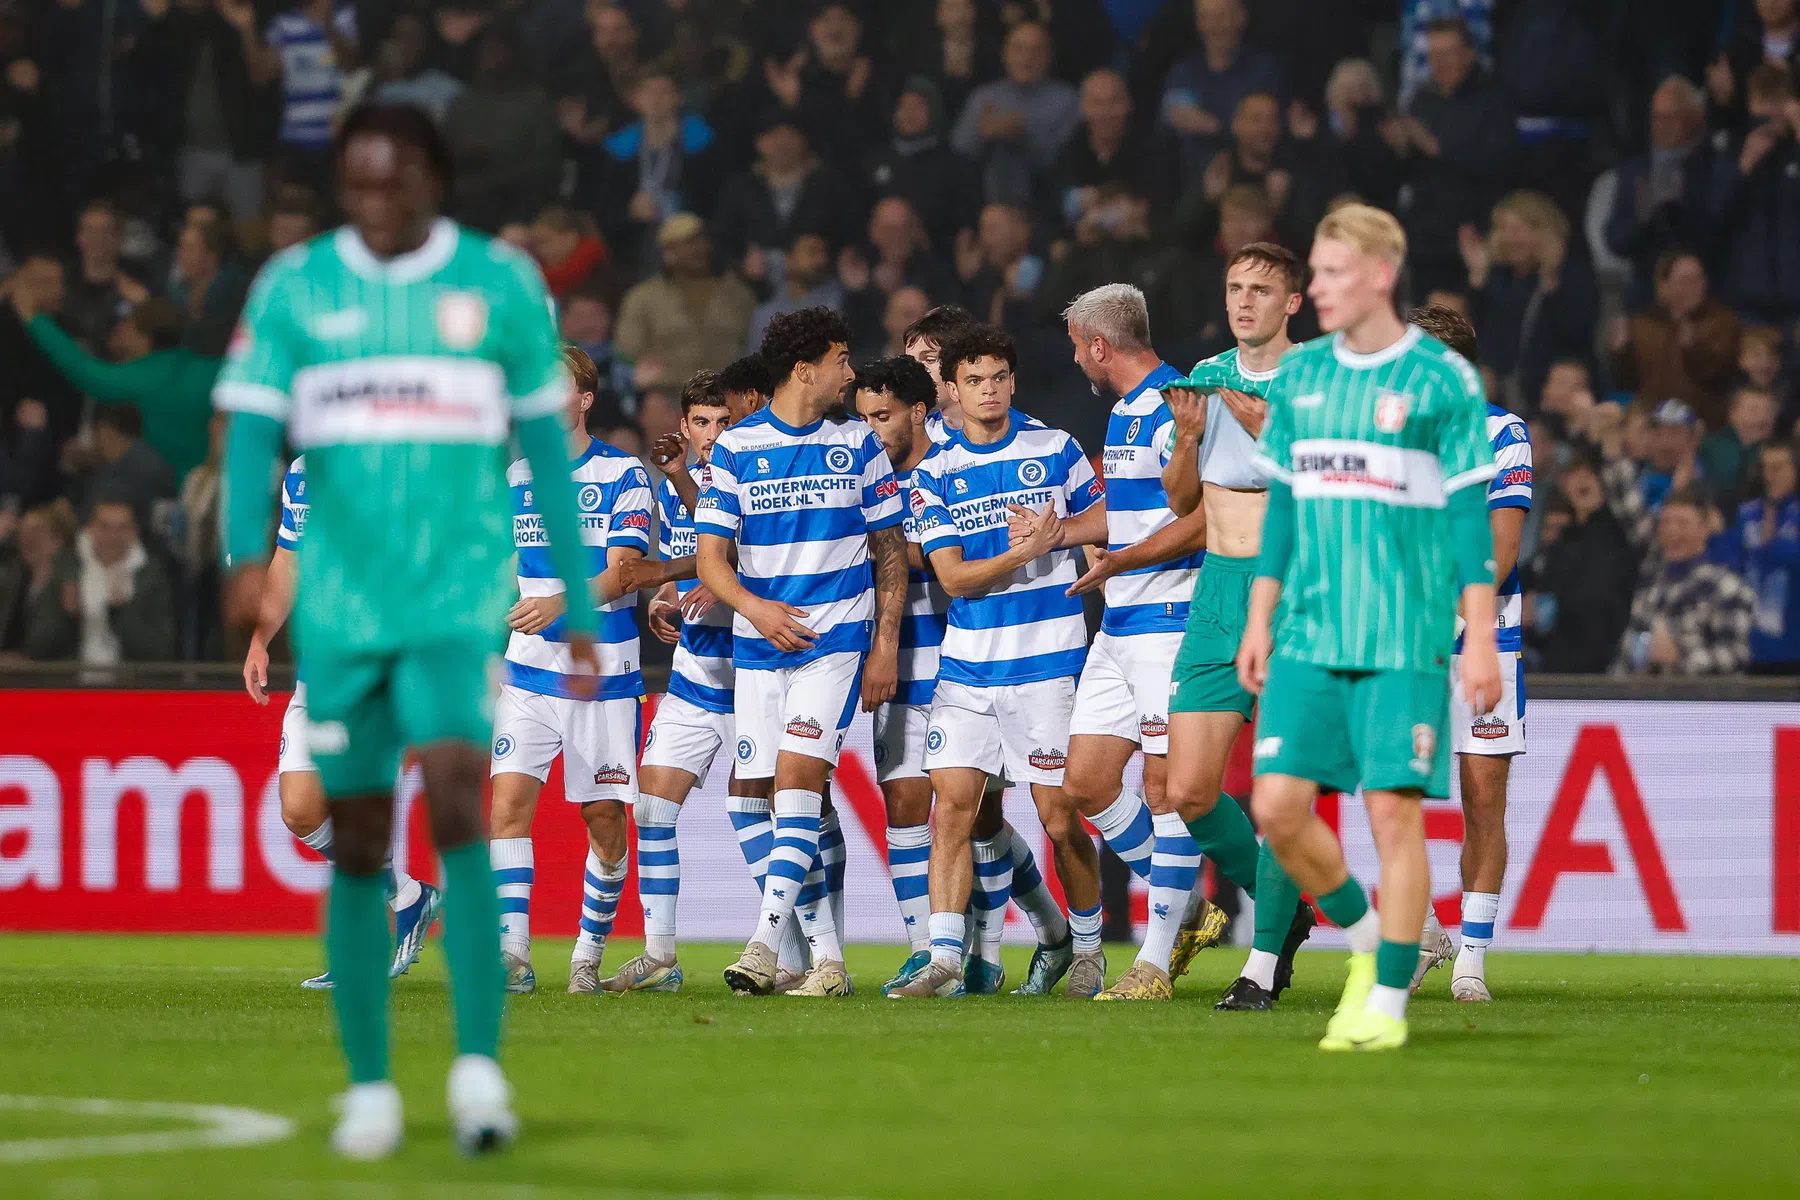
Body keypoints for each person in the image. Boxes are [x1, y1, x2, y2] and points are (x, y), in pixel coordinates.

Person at [215, 103, 600, 1158]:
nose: (375, 206)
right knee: (353, 844)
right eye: (357, 187)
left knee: (459, 818)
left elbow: (548, 455)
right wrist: (242, 567)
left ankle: (479, 1073)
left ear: (431, 177)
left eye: (394, 185)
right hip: (341, 620)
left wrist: (571, 591)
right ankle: (372, 1086)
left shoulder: (500, 284)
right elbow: (251, 440)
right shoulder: (294, 286)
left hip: (451, 611)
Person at [1236, 203, 1502, 1051]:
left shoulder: (1442, 382)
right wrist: (1259, 615)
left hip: (1402, 637)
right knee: (1276, 806)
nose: (1314, 289)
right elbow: (1280, 505)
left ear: (1380, 275)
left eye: (1331, 274)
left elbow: (1470, 519)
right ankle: (1364, 939)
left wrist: (1484, 634)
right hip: (1310, 632)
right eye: (1313, 274)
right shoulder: (1303, 378)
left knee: (1393, 816)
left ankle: (1385, 1004)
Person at [1012, 283, 1219, 1002]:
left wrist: (1124, 561)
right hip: (1120, 624)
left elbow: (1199, 517)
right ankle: (1187, 902)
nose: (1074, 359)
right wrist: (1063, 533)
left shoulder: (1178, 404)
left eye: (1077, 345)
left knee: (1165, 789)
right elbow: (1131, 511)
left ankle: (1155, 962)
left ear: (1100, 345)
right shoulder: (1127, 412)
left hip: (1169, 620)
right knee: (1089, 784)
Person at [889, 324, 1105, 999]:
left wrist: (1064, 535)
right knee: (952, 807)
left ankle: (1090, 949)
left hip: (1048, 665)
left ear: (1013, 382)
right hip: (968, 670)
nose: (988, 391)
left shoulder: (1055, 448)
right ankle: (946, 958)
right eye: (974, 380)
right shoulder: (934, 474)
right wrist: (1024, 551)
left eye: (999, 378)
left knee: (1059, 818)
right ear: (952, 388)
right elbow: (950, 579)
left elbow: (1107, 519)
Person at [698, 307, 907, 998]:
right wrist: (755, 610)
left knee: (795, 787)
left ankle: (762, 943)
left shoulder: (858, 446)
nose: (852, 372)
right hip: (760, 649)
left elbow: (890, 552)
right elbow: (709, 561)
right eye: (842, 360)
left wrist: (884, 646)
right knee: (752, 801)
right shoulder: (736, 448)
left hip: (834, 644)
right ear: (804, 369)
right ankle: (830, 961)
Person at [1160, 242, 1314, 1011]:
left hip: (1293, 593)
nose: (1244, 301)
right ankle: (1293, 907)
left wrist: (1264, 429)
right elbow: (1184, 501)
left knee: (1280, 789)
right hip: (1218, 592)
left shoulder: (1321, 382)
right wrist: (1188, 438)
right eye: (1234, 288)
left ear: (1294, 301)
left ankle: (1260, 964)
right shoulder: (1206, 377)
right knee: (1188, 789)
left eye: (1261, 289)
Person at [599, 369, 787, 993]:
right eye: (701, 423)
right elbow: (682, 561)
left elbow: (728, 553)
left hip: (751, 680)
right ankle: (660, 956)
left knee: (754, 814)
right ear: (684, 427)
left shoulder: (756, 477)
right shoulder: (674, 488)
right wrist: (663, 598)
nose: (711, 435)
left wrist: (704, 574)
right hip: (691, 679)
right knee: (651, 808)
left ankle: (789, 950)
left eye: (722, 422)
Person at [242, 454, 441, 989]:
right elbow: (288, 562)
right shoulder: (305, 472)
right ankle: (406, 895)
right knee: (302, 809)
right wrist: (261, 639)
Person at [486, 346, 650, 996]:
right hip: (527, 673)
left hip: (601, 672)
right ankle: (513, 955)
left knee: (604, 819)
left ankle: (587, 953)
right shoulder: (516, 477)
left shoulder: (623, 473)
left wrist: (562, 601)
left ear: (585, 399)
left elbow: (624, 570)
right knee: (506, 807)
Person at [1406, 302, 1532, 1004]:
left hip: (1484, 633)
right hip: (1406, 635)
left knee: (1483, 798)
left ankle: (1472, 959)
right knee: (1389, 786)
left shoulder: (1501, 432)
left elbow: (1503, 548)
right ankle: (1427, 928)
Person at [9, 270, 215, 480]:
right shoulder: (213, 371)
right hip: (213, 489)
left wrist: (33, 318)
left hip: (166, 493)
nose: (119, 328)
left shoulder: (143, 379)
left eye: (128, 324)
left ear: (143, 338)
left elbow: (84, 369)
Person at [1392, 18, 1517, 296]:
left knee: (1465, 326)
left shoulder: (1494, 99)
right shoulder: (1421, 100)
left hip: (1471, 233)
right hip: (1426, 237)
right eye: (1433, 55)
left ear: (1469, 54)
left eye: (1448, 53)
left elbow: (1499, 162)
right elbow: (1407, 171)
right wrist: (1399, 148)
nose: (1440, 62)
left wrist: (1437, 147)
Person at [1460, 189, 1598, 413]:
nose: (1511, 239)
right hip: (1504, 386)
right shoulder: (1498, 276)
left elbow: (1577, 334)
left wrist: (1551, 288)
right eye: (1504, 230)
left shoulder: (1572, 275)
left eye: (1519, 230)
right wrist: (1477, 280)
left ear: (1543, 232)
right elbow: (1480, 334)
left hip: (1551, 386)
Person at [1614, 490, 1755, 676]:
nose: (1672, 530)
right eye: (1666, 522)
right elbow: (1628, 651)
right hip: (1644, 699)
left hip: (1700, 701)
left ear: (1704, 529)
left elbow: (1737, 656)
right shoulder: (1651, 585)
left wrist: (1680, 658)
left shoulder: (1727, 588)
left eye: (1682, 523)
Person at [1702, 64, 1800, 327]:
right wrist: (1743, 168)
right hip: (1747, 301)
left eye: (1776, 99)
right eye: (1762, 100)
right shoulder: (1732, 151)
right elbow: (1712, 217)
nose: (1769, 112)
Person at [614, 213, 757, 391]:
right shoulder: (642, 298)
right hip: (666, 397)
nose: (698, 249)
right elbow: (628, 354)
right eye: (688, 243)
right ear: (667, 252)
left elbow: (755, 350)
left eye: (700, 241)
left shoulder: (739, 295)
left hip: (728, 397)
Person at [1521, 457, 1637, 674]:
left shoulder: (1622, 535)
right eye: (1575, 476)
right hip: (1559, 669)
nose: (1583, 481)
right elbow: (1539, 621)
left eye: (1589, 476)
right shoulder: (1560, 547)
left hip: (1609, 668)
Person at [1603, 75, 1706, 310]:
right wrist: (1643, 219)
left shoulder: (1710, 166)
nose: (1661, 127)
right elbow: (1615, 240)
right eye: (1656, 118)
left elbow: (1719, 232)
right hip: (1646, 297)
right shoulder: (1634, 172)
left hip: (1702, 297)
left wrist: (1684, 205)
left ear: (1694, 119)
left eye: (1671, 118)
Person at [1609, 251, 1742, 432]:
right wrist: (1620, 354)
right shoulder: (1641, 326)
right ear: (1663, 286)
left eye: (1699, 279)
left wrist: (1693, 348)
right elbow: (1625, 382)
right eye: (1685, 280)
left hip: (1703, 428)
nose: (1695, 287)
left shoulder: (1723, 322)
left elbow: (1721, 374)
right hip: (1652, 428)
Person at [949, 21, 1079, 207]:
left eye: (1036, 51)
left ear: (1049, 56)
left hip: (1046, 203)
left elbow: (1067, 163)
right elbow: (958, 156)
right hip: (984, 204)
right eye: (1018, 49)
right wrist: (983, 135)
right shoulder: (984, 97)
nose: (1027, 58)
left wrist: (1022, 136)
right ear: (1005, 54)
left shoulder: (1067, 99)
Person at [1160, 0, 1284, 183]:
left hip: (1246, 178)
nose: (1215, 26)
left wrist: (1213, 126)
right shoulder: (1183, 73)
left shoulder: (1263, 71)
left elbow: (1268, 131)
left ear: (1241, 18)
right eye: (1207, 17)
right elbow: (1166, 129)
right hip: (1188, 178)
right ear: (1198, 23)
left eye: (1222, 16)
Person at [74, 496, 176, 665]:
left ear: (134, 531)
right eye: (104, 527)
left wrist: (120, 613)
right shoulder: (70, 567)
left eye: (122, 528)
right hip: (69, 682)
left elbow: (162, 649)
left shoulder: (151, 576)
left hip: (128, 684)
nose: (113, 536)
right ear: (90, 529)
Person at [1727, 440, 1800, 673]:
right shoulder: (1747, 513)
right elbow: (1733, 564)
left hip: (1793, 643)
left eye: (1778, 468)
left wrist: (1772, 544)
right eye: (1765, 468)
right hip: (1750, 643)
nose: (1770, 476)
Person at [0, 499, 79, 660]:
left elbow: (49, 638)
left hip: (57, 676)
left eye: (36, 530)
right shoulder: (15, 578)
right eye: (23, 530)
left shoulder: (69, 578)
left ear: (58, 538)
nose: (27, 537)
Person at [746, 232, 844, 355]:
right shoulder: (765, 314)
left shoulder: (837, 299)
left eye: (823, 253)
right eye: (812, 252)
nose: (821, 260)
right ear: (789, 259)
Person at [1700, 387, 1780, 503]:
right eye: (1754, 410)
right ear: (1732, 414)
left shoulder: (1781, 451)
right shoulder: (1710, 446)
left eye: (1769, 411)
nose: (1763, 417)